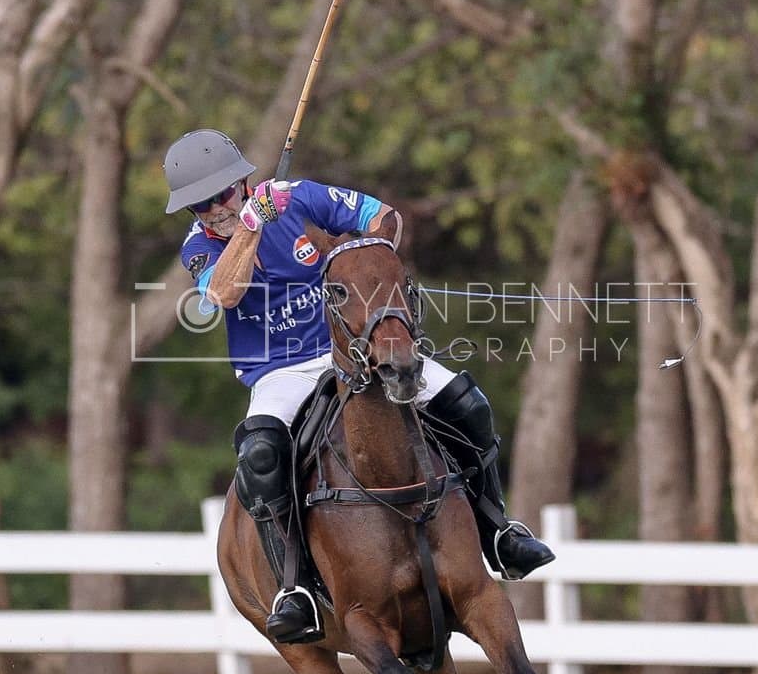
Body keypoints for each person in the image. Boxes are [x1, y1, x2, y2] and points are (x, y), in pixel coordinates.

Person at [164, 129, 554, 644]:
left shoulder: (301, 199)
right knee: (260, 455)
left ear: (241, 181)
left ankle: (496, 529)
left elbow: (384, 220)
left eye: (220, 195)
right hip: (279, 373)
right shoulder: (199, 247)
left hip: (354, 346)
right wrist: (251, 227)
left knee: (466, 401)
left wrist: (356, 261)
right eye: (198, 205)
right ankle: (295, 587)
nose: (212, 210)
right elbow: (223, 294)